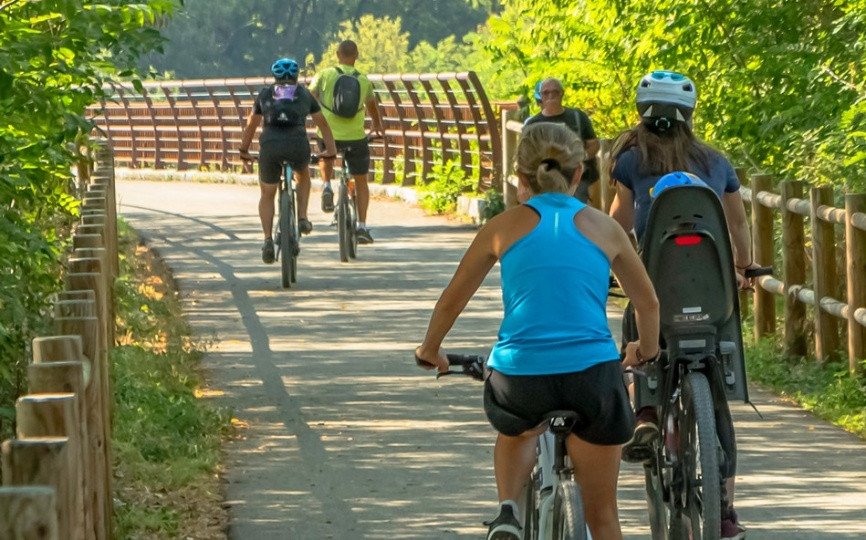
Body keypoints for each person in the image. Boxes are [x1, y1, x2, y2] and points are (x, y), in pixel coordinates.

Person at [415, 123, 660, 540]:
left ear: (520, 177)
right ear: (579, 173)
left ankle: (508, 510)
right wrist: (645, 350)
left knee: (518, 426)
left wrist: (430, 349)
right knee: (603, 517)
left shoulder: (502, 227)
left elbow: (453, 299)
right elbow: (648, 303)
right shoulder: (605, 228)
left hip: (521, 376)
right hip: (593, 377)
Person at [608, 70, 759, 540]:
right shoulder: (717, 162)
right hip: (712, 293)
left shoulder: (630, 162)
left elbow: (617, 223)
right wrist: (744, 267)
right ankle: (725, 511)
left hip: (656, 289)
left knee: (635, 317)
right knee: (718, 397)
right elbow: (738, 224)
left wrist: (608, 266)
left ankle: (646, 412)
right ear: (689, 116)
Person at [239, 58, 337, 264]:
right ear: (296, 76)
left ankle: (267, 239)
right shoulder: (304, 94)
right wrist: (330, 150)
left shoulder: (265, 95)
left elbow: (251, 125)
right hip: (296, 145)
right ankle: (302, 218)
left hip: (270, 147)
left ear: (274, 77)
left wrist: (244, 151)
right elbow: (323, 124)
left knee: (267, 193)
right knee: (303, 174)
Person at [309, 39, 384, 244]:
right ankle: (362, 226)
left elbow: (310, 97)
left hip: (328, 134)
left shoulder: (324, 74)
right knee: (361, 180)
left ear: (337, 54)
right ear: (356, 55)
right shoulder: (363, 79)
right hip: (355, 137)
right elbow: (372, 106)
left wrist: (318, 114)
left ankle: (326, 185)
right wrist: (377, 125)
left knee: (327, 153)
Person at [524, 78, 600, 204]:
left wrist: (580, 157)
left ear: (562, 94)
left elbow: (594, 144)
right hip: (543, 182)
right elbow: (525, 156)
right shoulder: (532, 124)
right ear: (540, 96)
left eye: (555, 92)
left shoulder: (577, 117)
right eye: (546, 93)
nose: (551, 96)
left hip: (576, 181)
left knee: (574, 213)